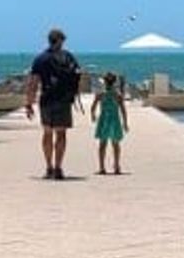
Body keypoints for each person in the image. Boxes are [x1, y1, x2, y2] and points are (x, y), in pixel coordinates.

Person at [24, 27, 81, 180]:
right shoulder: (68, 57)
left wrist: (29, 103)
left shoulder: (40, 59)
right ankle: (58, 167)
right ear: (60, 41)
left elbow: (33, 83)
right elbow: (77, 78)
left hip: (47, 100)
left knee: (47, 133)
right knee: (61, 134)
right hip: (63, 100)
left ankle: (49, 167)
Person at [91, 72, 129, 175]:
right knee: (115, 144)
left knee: (102, 144)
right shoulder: (117, 95)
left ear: (104, 81)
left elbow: (93, 107)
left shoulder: (101, 94)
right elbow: (123, 110)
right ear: (115, 82)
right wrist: (125, 123)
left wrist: (93, 116)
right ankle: (117, 166)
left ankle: (102, 167)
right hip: (115, 120)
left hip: (103, 120)